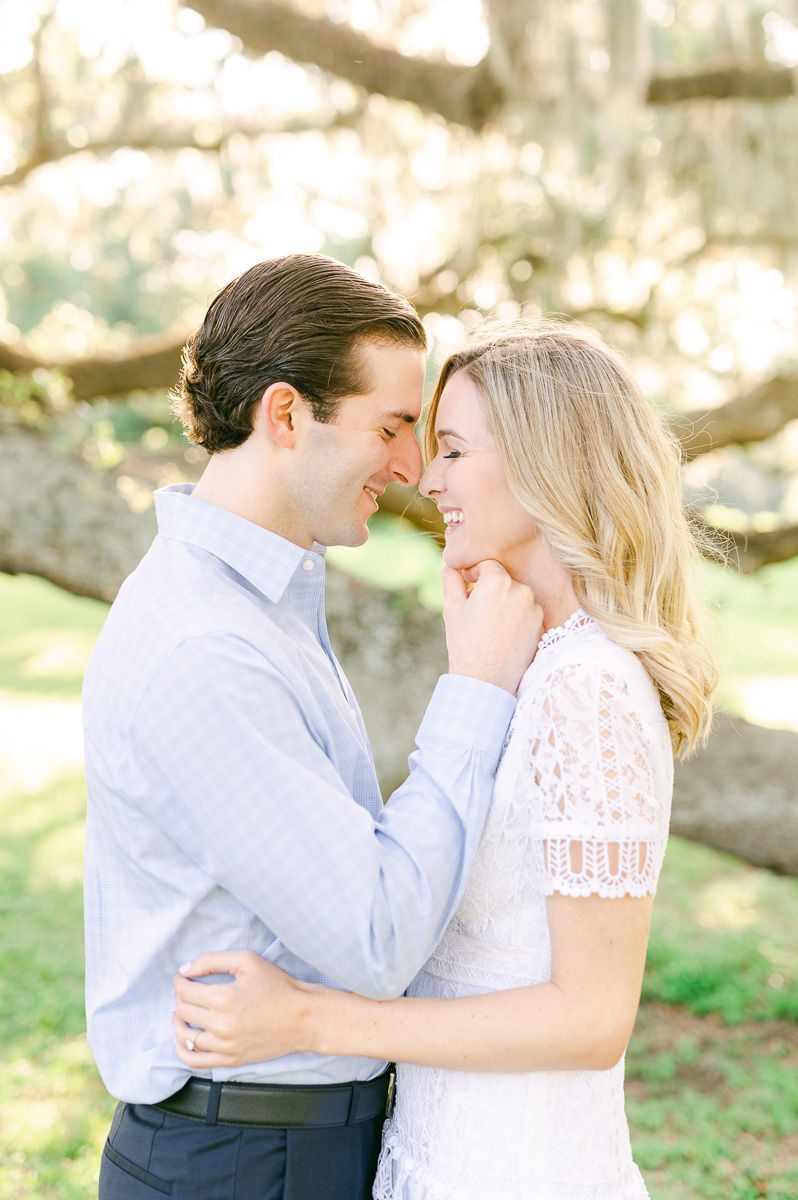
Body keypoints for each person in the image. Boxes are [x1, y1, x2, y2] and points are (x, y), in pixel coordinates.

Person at [170, 321, 718, 1199]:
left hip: (521, 1168)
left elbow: (590, 1018)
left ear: (550, 466)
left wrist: (311, 1018)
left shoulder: (589, 688)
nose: (425, 478)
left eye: (454, 450)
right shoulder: (528, 668)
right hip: (437, 1152)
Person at [82, 256, 542, 1200]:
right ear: (286, 415)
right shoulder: (206, 647)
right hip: (246, 1163)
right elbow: (374, 934)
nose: (412, 468)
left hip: (283, 1146)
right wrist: (479, 690)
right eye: (392, 426)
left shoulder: (264, 605)